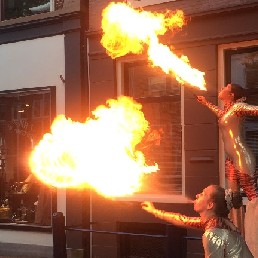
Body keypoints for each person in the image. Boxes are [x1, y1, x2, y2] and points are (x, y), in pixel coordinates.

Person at [197, 83, 258, 257]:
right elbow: (221, 114)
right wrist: (205, 103)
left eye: (226, 87)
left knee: (253, 198)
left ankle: (255, 246)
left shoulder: (239, 107)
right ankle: (236, 241)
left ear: (231, 95)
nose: (222, 88)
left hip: (242, 156)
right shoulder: (227, 111)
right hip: (231, 159)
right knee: (232, 199)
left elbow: (255, 110)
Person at [142, 185, 253, 258]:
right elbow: (183, 220)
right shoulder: (217, 222)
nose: (197, 195)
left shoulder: (213, 233)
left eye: (203, 194)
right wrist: (154, 211)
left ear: (210, 205)